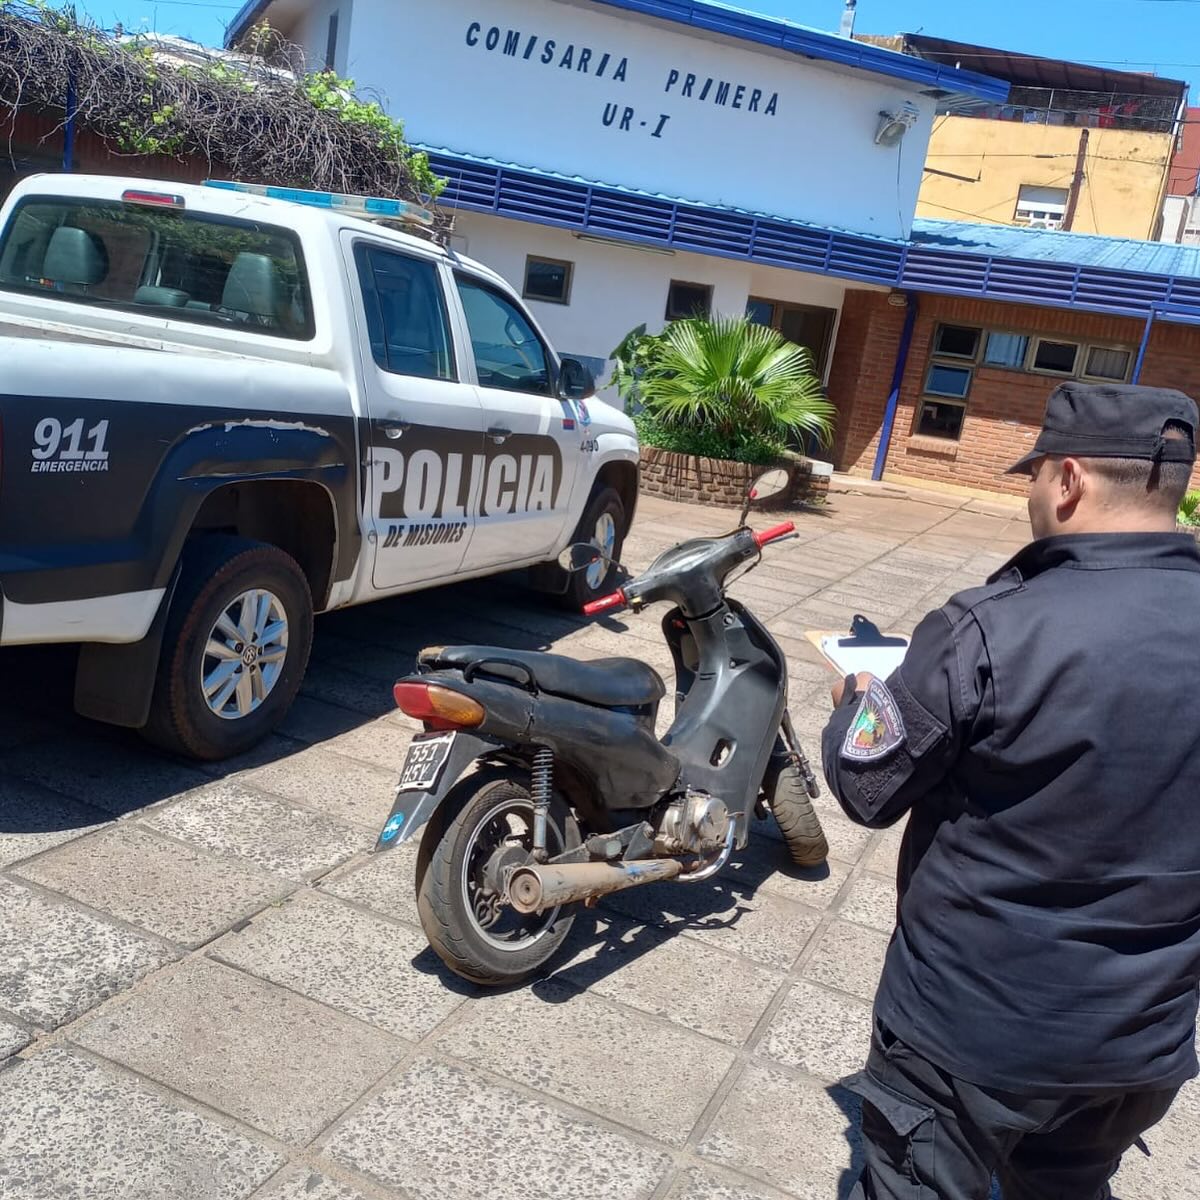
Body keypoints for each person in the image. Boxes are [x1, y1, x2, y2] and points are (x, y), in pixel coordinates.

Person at [821, 382, 1200, 1200]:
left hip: (971, 1037)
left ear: (1067, 482)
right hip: (1137, 1045)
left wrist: (859, 700)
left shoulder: (990, 628)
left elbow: (865, 785)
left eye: (1033, 476)